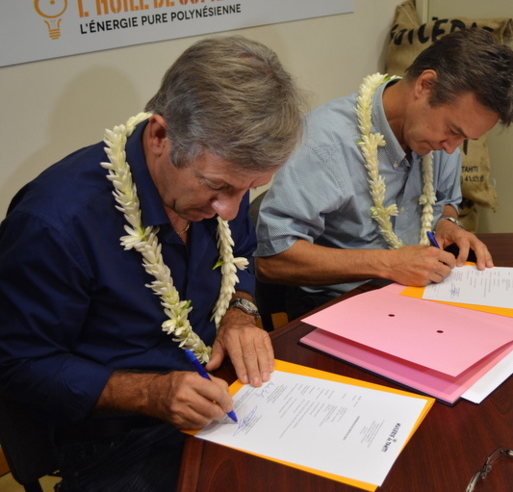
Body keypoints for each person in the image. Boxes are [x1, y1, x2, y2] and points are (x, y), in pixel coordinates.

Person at [0, 36, 303, 491]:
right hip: (114, 437)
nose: (232, 210)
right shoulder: (55, 223)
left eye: (250, 188)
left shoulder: (218, 193)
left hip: (218, 394)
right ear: (161, 136)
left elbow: (238, 254)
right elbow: (18, 364)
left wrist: (241, 312)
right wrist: (150, 393)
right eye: (218, 187)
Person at [255, 28, 513, 318]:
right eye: (453, 131)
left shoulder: (440, 142)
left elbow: (444, 203)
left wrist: (447, 224)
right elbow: (272, 260)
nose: (451, 150)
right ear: (426, 85)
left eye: (464, 139)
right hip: (339, 308)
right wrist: (388, 264)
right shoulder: (324, 144)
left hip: (420, 298)